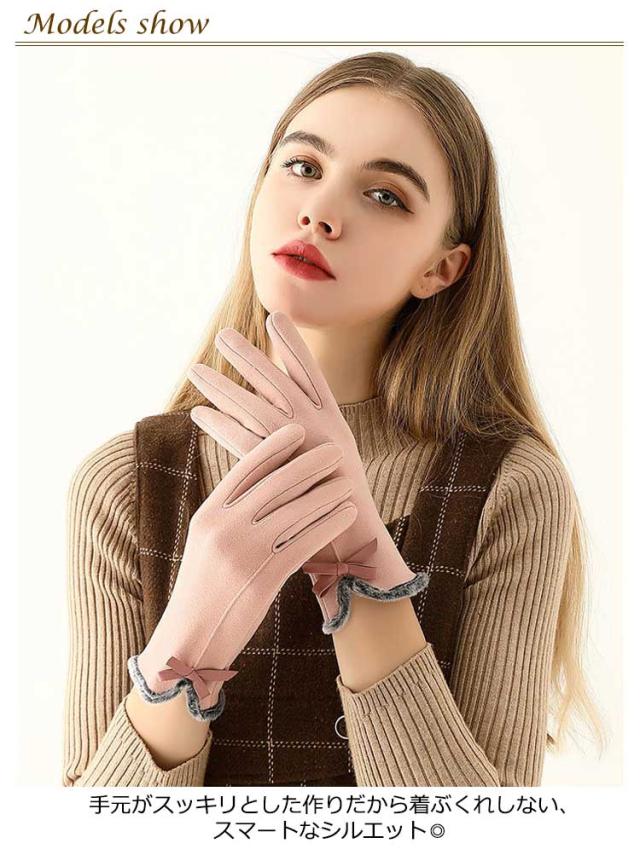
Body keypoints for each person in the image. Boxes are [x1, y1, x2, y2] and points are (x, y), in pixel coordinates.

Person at [63, 51, 606, 787]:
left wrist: (357, 549)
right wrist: (187, 641)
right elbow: (84, 831)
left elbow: (487, 831)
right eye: (302, 166)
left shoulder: (509, 488)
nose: (319, 211)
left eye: (384, 195)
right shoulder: (126, 485)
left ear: (442, 268)